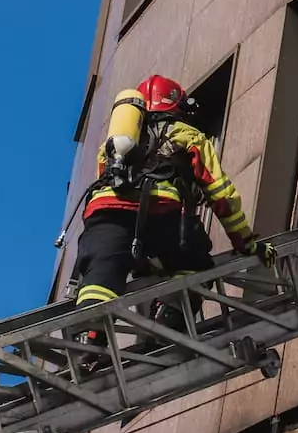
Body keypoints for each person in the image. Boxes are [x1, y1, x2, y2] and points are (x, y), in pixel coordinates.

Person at [72, 74, 268, 314]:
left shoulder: (110, 145)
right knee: (193, 263)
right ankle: (171, 316)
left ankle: (89, 337)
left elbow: (107, 182)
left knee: (101, 273)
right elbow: (221, 194)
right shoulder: (188, 135)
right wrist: (246, 243)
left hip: (106, 215)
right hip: (162, 213)